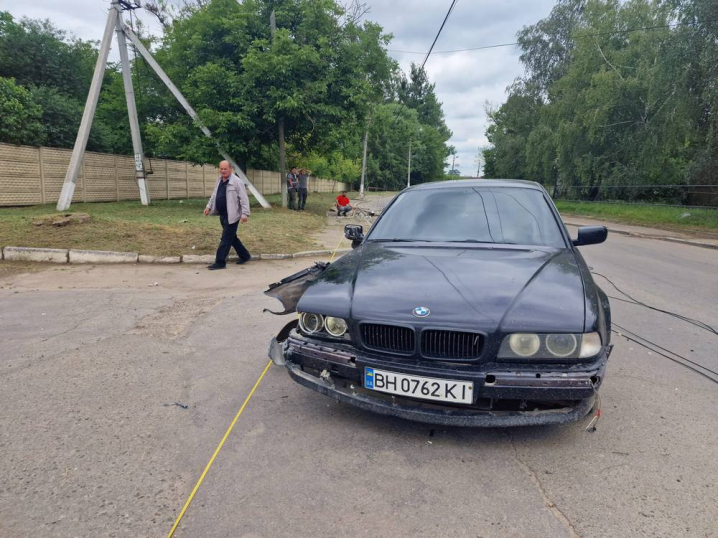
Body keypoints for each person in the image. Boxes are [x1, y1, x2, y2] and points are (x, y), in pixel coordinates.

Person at [203, 160, 251, 270]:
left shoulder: (237, 182)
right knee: (231, 238)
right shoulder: (219, 180)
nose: (223, 171)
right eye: (221, 169)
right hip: (222, 214)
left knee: (225, 239)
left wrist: (245, 214)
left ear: (230, 169)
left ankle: (220, 262)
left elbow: (244, 199)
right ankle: (245, 255)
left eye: (225, 169)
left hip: (233, 215)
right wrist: (208, 206)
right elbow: (214, 195)